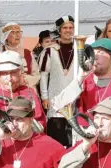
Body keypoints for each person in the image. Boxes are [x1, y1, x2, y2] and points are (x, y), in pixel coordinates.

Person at [39, 15, 76, 148]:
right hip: (55, 97)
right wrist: (44, 96)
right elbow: (43, 75)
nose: (68, 30)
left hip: (74, 98)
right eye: (65, 27)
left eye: (71, 27)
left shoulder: (79, 49)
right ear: (59, 30)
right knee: (56, 138)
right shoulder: (49, 50)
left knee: (73, 136)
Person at [0, 22, 41, 94]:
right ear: (6, 36)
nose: (18, 35)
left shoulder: (27, 53)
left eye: (19, 32)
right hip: (6, 92)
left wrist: (25, 80)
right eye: (14, 33)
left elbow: (37, 75)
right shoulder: (0, 53)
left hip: (27, 90)